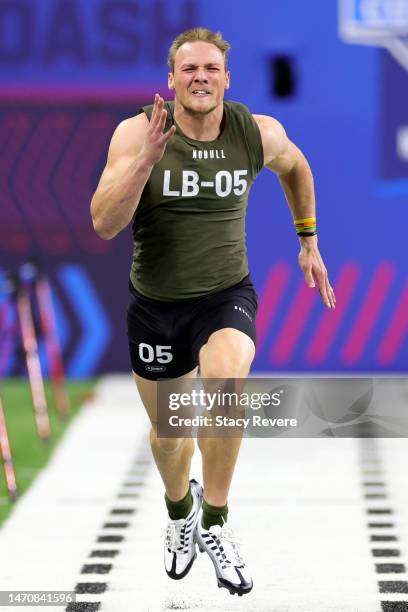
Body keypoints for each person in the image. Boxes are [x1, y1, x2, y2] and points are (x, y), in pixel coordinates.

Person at [90, 27, 336, 597]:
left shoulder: (256, 132)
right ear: (171, 80)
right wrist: (147, 159)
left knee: (226, 382)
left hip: (225, 294)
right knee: (170, 435)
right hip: (155, 305)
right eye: (189, 69)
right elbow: (104, 223)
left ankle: (217, 522)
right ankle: (181, 513)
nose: (200, 77)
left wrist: (308, 240)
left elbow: (296, 167)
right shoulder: (136, 133)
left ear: (227, 78)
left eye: (211, 69)